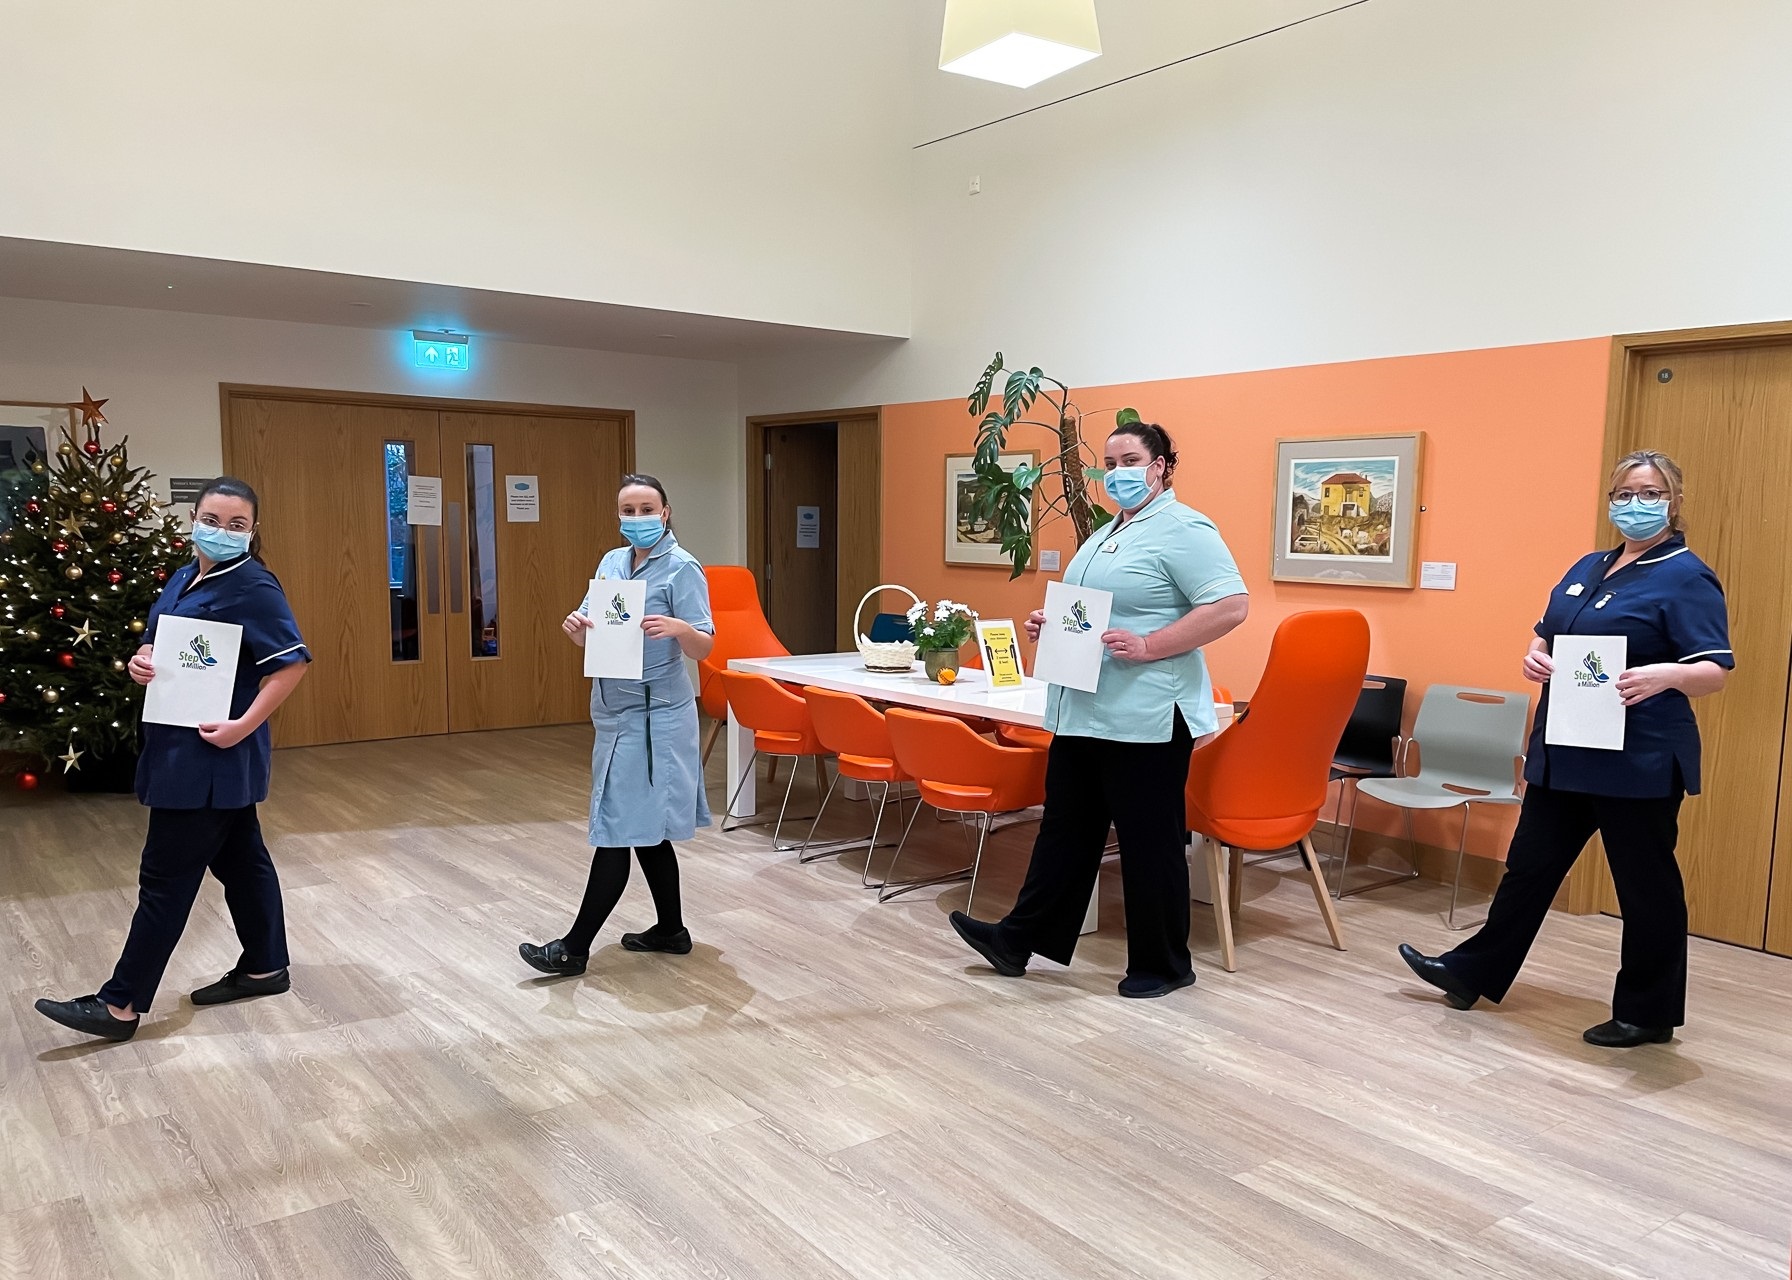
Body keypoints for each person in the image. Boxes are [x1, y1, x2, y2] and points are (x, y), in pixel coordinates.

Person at [1400, 450, 1732, 1047]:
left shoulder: (1687, 575)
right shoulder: (1589, 565)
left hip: (1639, 759)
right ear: (1611, 501)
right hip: (1567, 749)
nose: (1636, 503)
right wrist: (1534, 653)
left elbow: (1714, 670)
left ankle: (1648, 1013)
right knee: (1528, 870)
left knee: (1645, 886)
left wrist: (1666, 676)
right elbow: (1548, 632)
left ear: (1673, 501)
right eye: (1625, 493)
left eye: (1650, 493)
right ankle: (1472, 970)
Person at [949, 422, 1249, 998]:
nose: (1118, 473)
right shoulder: (1109, 531)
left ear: (1160, 465)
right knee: (1066, 831)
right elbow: (1092, 610)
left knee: (1149, 841)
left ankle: (1164, 965)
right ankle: (1019, 940)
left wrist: (1151, 645)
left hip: (1149, 715)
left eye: (1131, 460)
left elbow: (1232, 606)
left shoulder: (1184, 528)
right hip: (1086, 709)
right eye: (1110, 463)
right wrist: (1050, 624)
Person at [35, 477, 310, 1042]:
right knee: (241, 861)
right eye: (213, 519)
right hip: (180, 748)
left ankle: (119, 1006)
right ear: (194, 518)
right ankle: (266, 966)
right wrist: (143, 659)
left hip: (210, 756)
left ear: (253, 530)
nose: (223, 532)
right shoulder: (186, 576)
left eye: (238, 525)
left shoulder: (254, 585)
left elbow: (290, 665)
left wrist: (241, 728)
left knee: (165, 878)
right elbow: (164, 645)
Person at [520, 474, 714, 975]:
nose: (636, 519)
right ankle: (671, 931)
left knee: (616, 828)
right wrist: (576, 627)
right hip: (613, 711)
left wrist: (679, 629)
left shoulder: (683, 569)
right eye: (627, 511)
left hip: (656, 717)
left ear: (665, 512)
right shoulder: (612, 561)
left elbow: (706, 645)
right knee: (646, 830)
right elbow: (595, 629)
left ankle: (574, 947)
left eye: (646, 508)